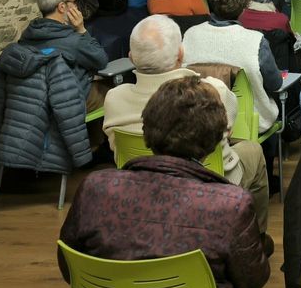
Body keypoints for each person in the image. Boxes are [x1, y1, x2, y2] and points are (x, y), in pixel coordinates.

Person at [61, 76, 270, 288]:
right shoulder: (231, 205)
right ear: (216, 139)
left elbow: (69, 267)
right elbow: (253, 281)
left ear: (147, 127)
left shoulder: (94, 188)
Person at [101, 15, 271, 235]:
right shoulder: (212, 91)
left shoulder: (114, 99)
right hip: (210, 183)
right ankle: (255, 237)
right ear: (180, 55)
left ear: (131, 57)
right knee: (253, 150)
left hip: (138, 185)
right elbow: (227, 128)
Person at [182, 0, 282, 130]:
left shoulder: (190, 35)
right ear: (244, 8)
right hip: (249, 123)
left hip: (198, 119)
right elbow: (275, 84)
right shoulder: (256, 41)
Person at [19, 0, 109, 144]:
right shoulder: (72, 40)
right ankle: (99, 145)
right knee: (112, 91)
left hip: (41, 100)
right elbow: (101, 60)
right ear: (62, 7)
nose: (77, 7)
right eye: (74, 2)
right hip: (69, 101)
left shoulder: (27, 35)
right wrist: (82, 29)